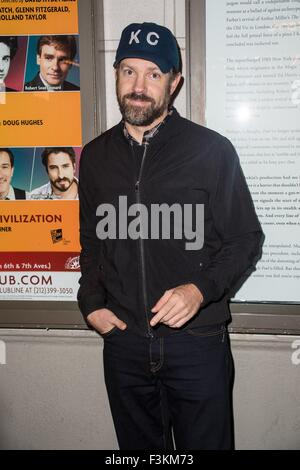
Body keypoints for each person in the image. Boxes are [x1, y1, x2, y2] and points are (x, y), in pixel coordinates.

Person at [78, 22, 263, 450]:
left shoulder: (212, 151)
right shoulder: (96, 157)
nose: (139, 86)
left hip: (196, 343)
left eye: (154, 74)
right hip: (123, 343)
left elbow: (245, 239)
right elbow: (91, 242)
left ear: (174, 83)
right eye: (129, 71)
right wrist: (91, 303)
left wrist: (199, 291)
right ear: (116, 73)